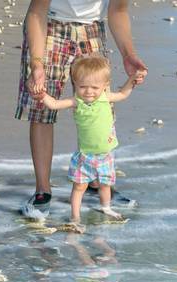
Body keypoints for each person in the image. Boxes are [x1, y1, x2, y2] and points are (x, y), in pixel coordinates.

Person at [15, 0, 148, 216]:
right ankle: (42, 190)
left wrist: (128, 55)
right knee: (42, 107)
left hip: (92, 28)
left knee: (100, 105)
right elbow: (36, 12)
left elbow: (118, 10)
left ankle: (97, 183)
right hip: (49, 26)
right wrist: (36, 64)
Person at [39, 55, 140, 230]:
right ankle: (75, 216)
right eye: (82, 87)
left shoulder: (106, 98)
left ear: (105, 85)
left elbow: (123, 93)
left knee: (105, 184)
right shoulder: (76, 102)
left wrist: (132, 78)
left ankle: (106, 207)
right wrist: (41, 95)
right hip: (85, 156)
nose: (89, 91)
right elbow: (54, 104)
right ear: (75, 84)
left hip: (106, 154)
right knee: (79, 187)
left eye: (95, 87)